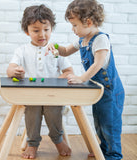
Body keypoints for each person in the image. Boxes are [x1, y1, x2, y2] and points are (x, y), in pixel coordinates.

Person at [46, 0, 125, 160]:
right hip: (99, 90)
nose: (73, 29)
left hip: (110, 91)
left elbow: (98, 63)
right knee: (100, 123)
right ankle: (103, 150)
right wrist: (54, 47)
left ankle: (113, 155)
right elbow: (66, 51)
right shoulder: (83, 39)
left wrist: (81, 78)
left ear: (88, 22)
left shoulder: (100, 39)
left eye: (74, 25)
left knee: (109, 124)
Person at [7, 4, 73, 159]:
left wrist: (57, 81)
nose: (42, 34)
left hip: (52, 96)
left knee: (53, 112)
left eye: (46, 29)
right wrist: (14, 71)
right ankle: (32, 144)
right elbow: (10, 69)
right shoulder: (22, 50)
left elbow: (69, 72)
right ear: (27, 31)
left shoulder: (56, 49)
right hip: (32, 96)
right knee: (32, 113)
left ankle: (58, 139)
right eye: (36, 30)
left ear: (51, 29)